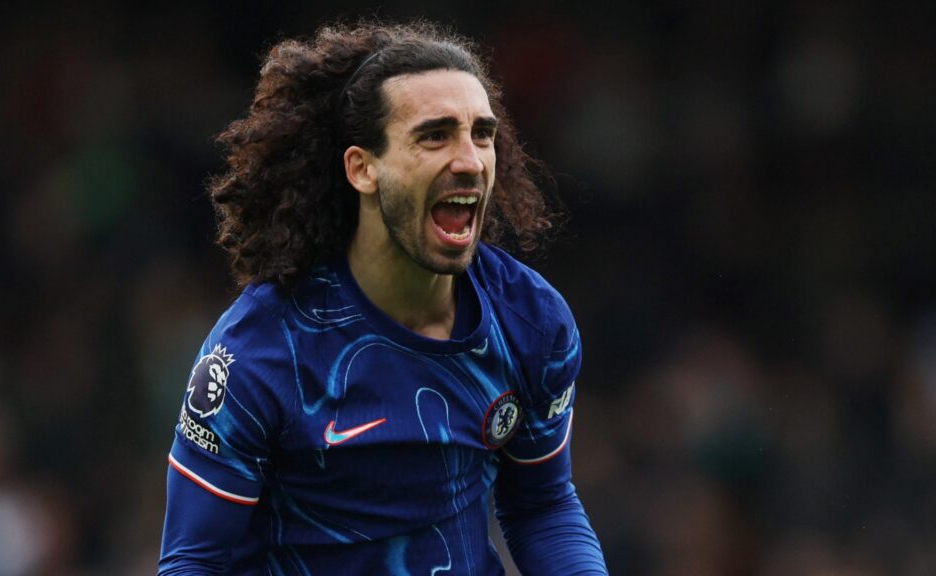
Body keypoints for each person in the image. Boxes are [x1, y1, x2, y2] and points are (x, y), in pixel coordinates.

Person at [158, 20, 609, 575]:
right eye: (435, 135)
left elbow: (543, 505)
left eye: (482, 134)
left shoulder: (531, 322)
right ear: (362, 168)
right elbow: (193, 563)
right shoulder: (260, 354)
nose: (470, 160)